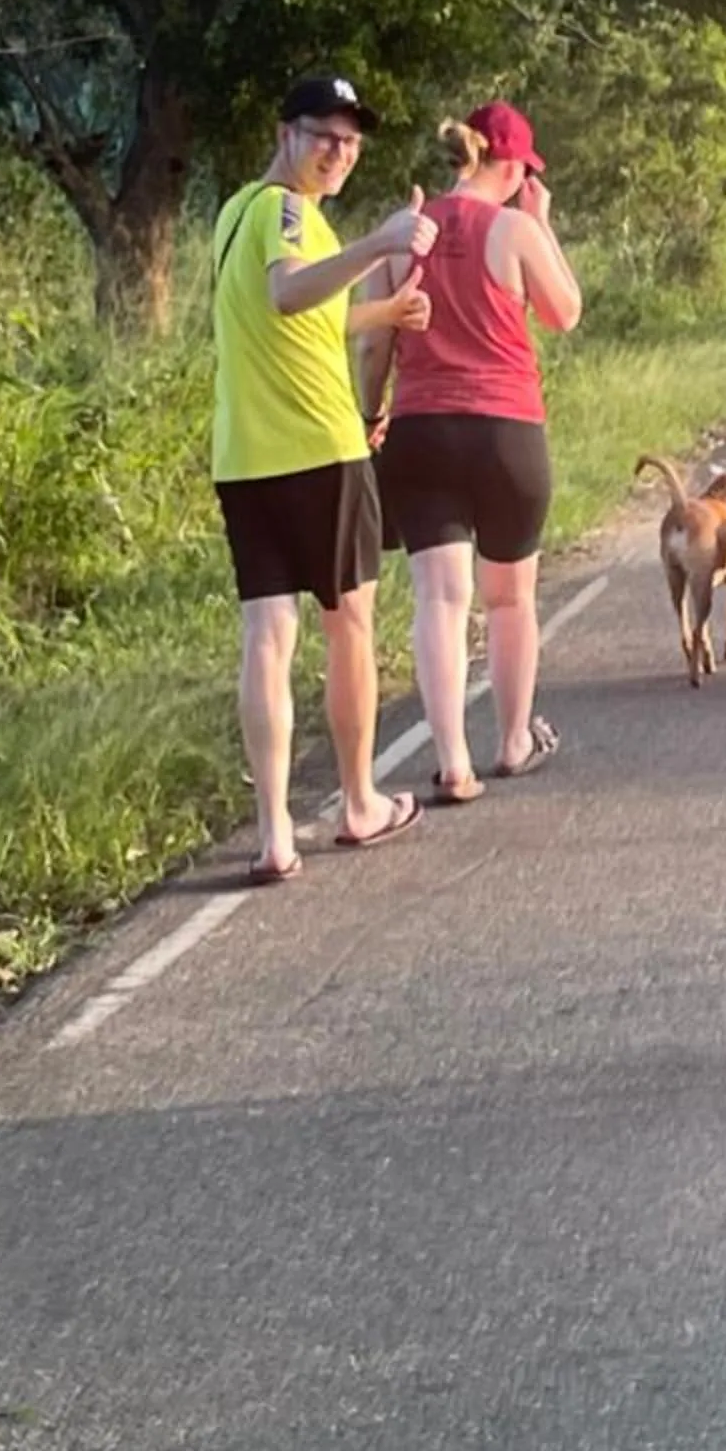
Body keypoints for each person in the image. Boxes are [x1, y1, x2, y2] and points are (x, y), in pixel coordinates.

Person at [212, 71, 440, 883]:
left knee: (267, 639)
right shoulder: (288, 213)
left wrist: (383, 311)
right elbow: (285, 295)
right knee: (350, 626)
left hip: (245, 457)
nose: (338, 154)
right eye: (323, 137)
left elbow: (300, 314)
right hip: (321, 451)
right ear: (286, 135)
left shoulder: (238, 212)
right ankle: (358, 802)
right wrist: (380, 244)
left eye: (350, 142)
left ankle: (275, 833)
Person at [355, 98, 583, 801]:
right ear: (513, 166)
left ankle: (451, 761)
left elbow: (373, 339)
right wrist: (542, 228)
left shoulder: (402, 232)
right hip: (505, 431)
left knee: (439, 598)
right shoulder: (514, 227)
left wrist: (370, 412)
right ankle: (514, 740)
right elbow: (563, 312)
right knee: (509, 598)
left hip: (423, 430)